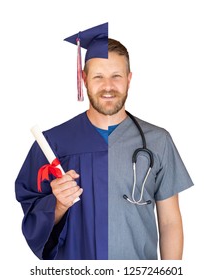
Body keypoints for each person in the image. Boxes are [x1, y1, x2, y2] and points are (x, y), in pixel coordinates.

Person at [15, 22, 193, 260]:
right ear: (84, 79)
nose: (108, 86)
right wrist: (57, 205)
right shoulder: (53, 144)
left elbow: (170, 222)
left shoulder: (158, 141)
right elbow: (31, 219)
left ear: (129, 79)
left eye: (116, 76)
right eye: (98, 76)